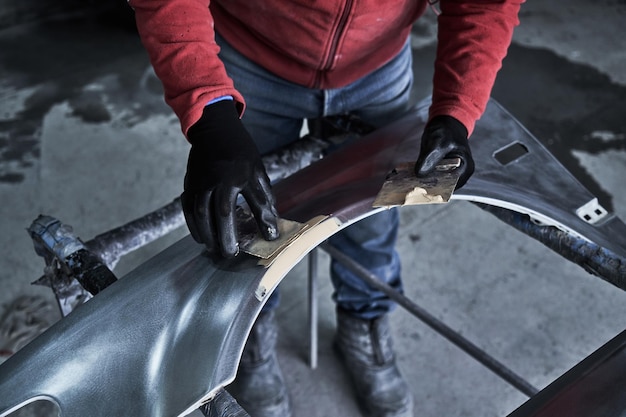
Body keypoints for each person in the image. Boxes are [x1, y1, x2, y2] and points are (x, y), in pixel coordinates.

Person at [128, 1, 523, 416]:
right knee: (246, 225)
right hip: (250, 58)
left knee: (373, 224)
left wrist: (457, 110)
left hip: (377, 65)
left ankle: (363, 322)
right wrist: (210, 114)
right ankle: (249, 339)